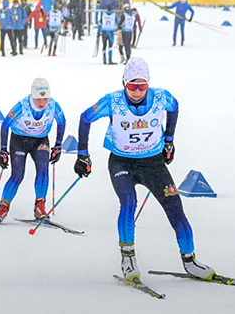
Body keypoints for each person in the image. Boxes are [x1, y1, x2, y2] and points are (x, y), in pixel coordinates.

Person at [74, 57, 216, 282]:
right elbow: (85, 118)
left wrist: (169, 139)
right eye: (132, 86)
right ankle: (128, 258)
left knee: (175, 207)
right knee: (128, 202)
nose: (137, 91)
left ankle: (190, 260)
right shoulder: (112, 101)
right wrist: (82, 154)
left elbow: (175, 106)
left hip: (153, 163)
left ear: (148, 84)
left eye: (142, 86)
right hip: (122, 162)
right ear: (124, 83)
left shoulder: (161, 97)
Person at [0, 78, 65, 224]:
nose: (42, 102)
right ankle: (3, 206)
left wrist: (58, 145)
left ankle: (40, 206)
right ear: (32, 96)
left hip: (40, 140)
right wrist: (3, 150)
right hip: (19, 141)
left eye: (45, 98)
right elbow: (5, 125)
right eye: (38, 98)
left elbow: (62, 122)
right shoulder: (22, 106)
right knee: (18, 175)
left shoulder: (53, 105)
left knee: (43, 171)